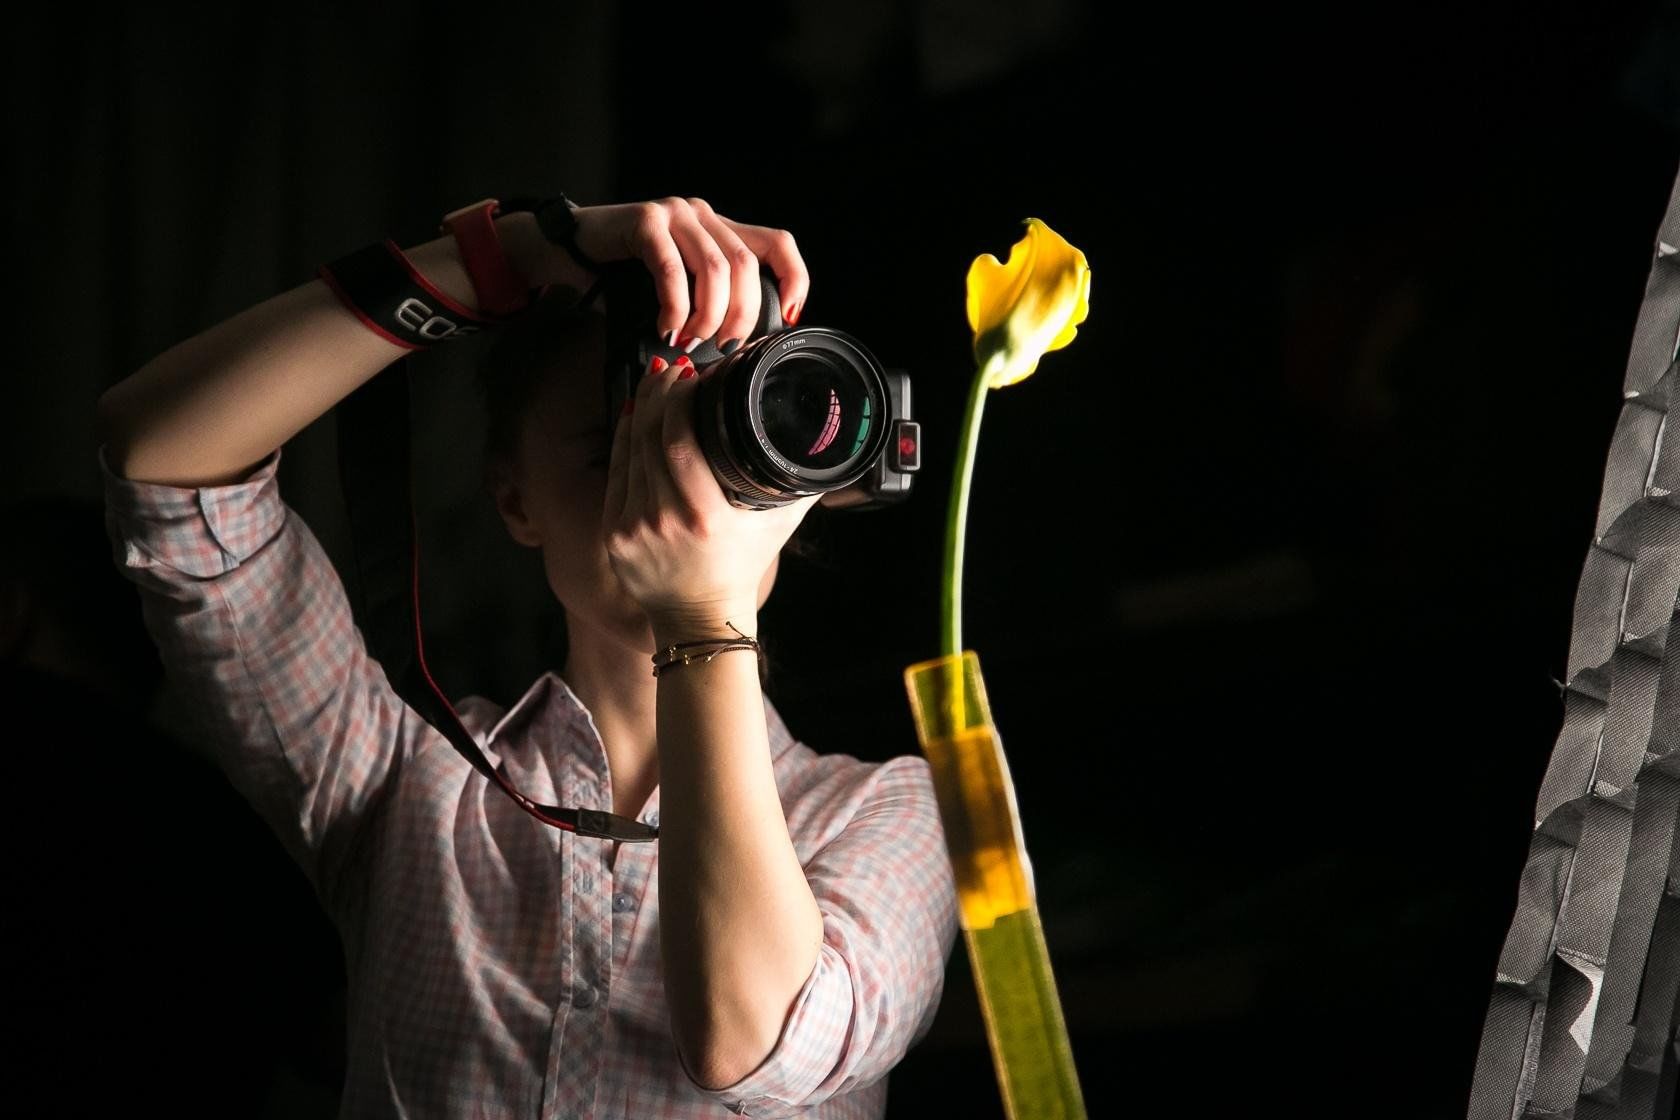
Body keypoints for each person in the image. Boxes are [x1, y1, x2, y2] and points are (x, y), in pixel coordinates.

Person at [94, 194, 959, 1118]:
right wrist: (506, 255)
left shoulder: (893, 813)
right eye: (617, 446)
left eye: (706, 443)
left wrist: (701, 616)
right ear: (514, 499)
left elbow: (754, 1044)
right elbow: (163, 468)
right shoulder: (402, 780)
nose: (675, 490)